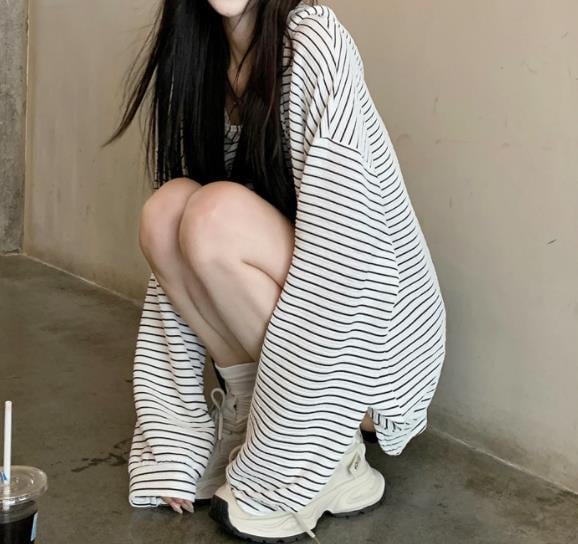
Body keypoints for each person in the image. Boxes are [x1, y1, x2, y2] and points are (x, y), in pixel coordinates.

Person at [104, 0, 447, 541]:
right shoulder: (200, 54)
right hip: (302, 321)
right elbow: (173, 287)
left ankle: (328, 459)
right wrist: (176, 439)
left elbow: (347, 258)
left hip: (371, 344)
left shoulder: (314, 38)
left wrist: (283, 467)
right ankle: (250, 419)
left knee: (213, 216)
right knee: (165, 213)